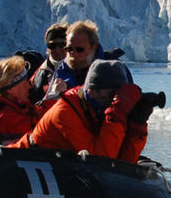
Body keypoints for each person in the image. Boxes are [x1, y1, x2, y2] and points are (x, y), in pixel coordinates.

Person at [10, 60, 150, 164]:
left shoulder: (96, 109)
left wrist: (137, 126)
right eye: (112, 94)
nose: (114, 99)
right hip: (22, 160)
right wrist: (117, 114)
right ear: (92, 91)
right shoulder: (65, 112)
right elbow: (101, 163)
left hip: (58, 166)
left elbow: (122, 163)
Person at [0, 55, 43, 146]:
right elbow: (43, 129)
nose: (29, 86)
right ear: (10, 89)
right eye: (24, 83)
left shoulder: (15, 107)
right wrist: (54, 99)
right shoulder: (3, 116)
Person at [29, 23, 68, 102]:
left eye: (62, 45)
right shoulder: (39, 75)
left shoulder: (79, 70)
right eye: (52, 46)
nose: (57, 50)